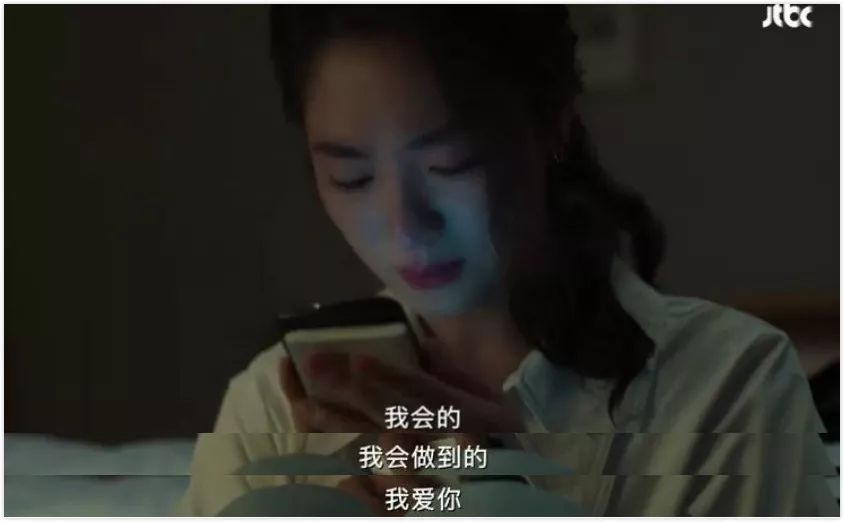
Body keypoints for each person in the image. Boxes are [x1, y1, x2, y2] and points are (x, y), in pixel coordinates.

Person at [174, 5, 837, 516]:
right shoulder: (274, 407)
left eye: (450, 163)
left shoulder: (727, 387)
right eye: (352, 178)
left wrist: (502, 494)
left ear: (552, 126)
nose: (404, 225)